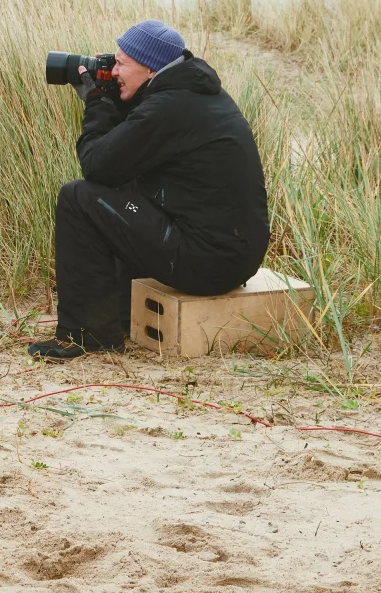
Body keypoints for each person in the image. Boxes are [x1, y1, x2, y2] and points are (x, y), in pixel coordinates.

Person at [28, 19, 270, 361]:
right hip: (230, 256)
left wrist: (97, 102)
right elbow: (124, 159)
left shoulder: (168, 108)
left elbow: (96, 165)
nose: (113, 71)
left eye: (122, 63)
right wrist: (116, 99)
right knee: (122, 190)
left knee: (78, 198)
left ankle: (87, 335)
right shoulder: (193, 94)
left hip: (208, 262)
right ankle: (123, 315)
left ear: (150, 68)